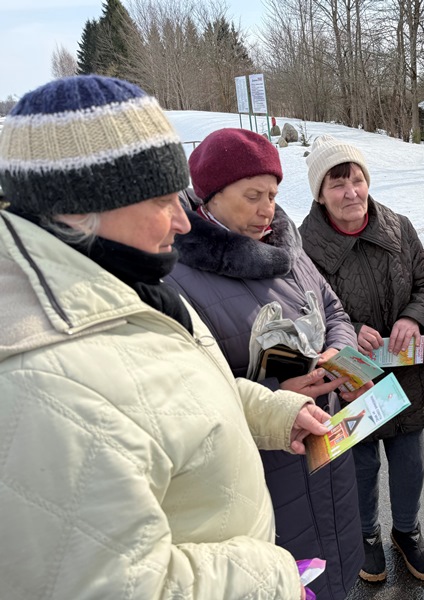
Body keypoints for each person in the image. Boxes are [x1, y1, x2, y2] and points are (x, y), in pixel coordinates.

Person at [0, 75, 327, 599]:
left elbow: (175, 395)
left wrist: (272, 411)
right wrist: (272, 577)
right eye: (161, 199)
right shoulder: (39, 378)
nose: (182, 220)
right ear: (79, 207)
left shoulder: (125, 282)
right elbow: (114, 586)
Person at [164, 128, 363, 600]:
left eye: (272, 195)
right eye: (252, 196)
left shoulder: (287, 249)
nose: (267, 210)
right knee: (285, 577)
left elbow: (333, 310)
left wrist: (340, 354)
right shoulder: (175, 277)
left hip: (327, 443)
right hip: (264, 466)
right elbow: (189, 392)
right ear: (210, 196)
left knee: (336, 565)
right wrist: (275, 399)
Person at [299, 135, 424, 583]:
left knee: (410, 463)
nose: (351, 192)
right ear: (320, 194)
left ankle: (407, 530)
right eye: (337, 184)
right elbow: (303, 315)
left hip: (407, 379)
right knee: (359, 467)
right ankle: (365, 535)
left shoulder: (399, 228)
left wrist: (414, 318)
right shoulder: (304, 247)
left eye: (357, 180)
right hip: (349, 383)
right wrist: (349, 331)